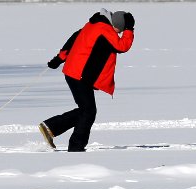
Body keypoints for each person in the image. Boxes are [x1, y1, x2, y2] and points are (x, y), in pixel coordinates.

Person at [38, 8, 135, 152]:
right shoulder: (105, 29)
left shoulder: (93, 24)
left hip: (74, 72)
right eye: (120, 30)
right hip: (80, 75)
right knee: (88, 111)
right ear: (118, 25)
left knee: (86, 110)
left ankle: (52, 128)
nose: (119, 34)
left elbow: (74, 38)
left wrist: (60, 58)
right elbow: (121, 46)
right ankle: (75, 147)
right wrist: (129, 30)